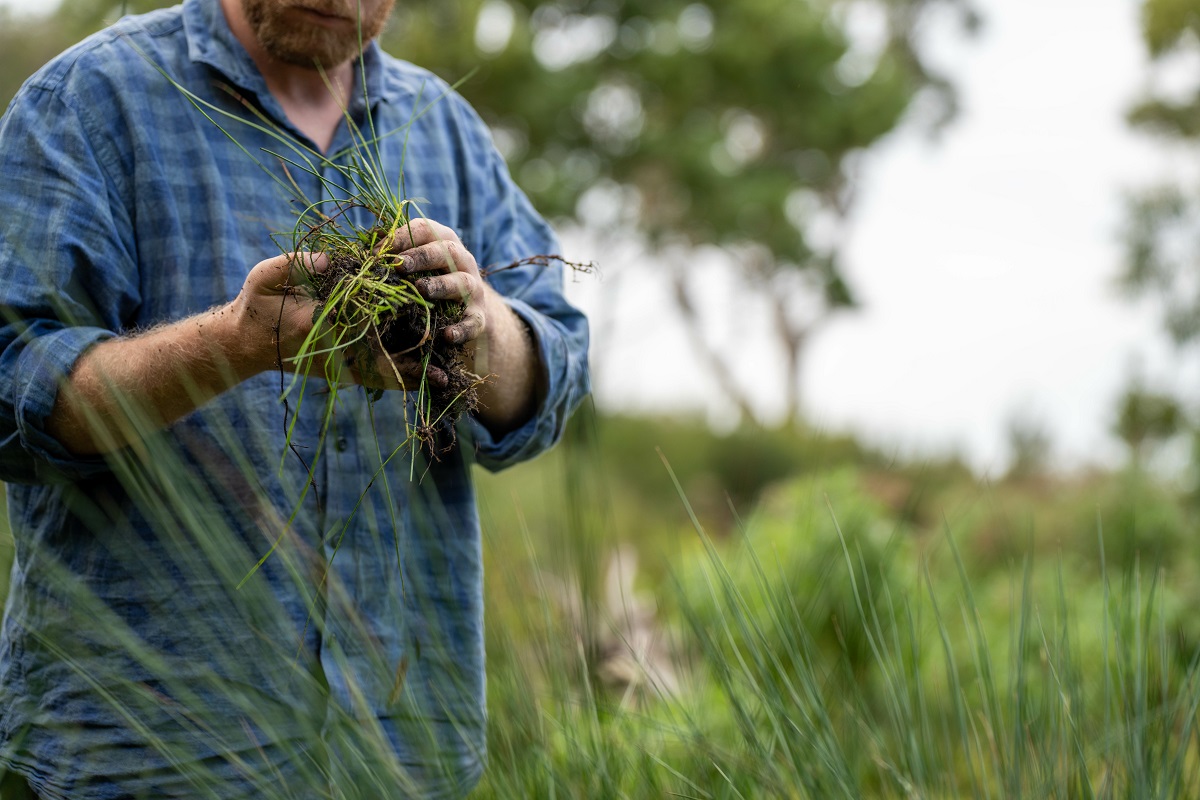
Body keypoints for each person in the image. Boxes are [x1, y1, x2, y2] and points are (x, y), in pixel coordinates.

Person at [0, 0, 590, 796]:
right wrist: (236, 344)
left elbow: (560, 358)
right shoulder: (87, 100)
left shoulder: (443, 124)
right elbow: (13, 388)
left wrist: (484, 332)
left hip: (400, 749)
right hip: (151, 755)